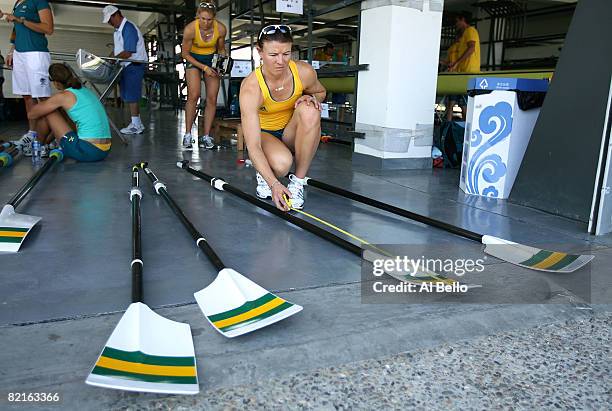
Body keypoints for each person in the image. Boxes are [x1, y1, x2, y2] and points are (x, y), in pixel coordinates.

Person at [240, 25, 326, 211]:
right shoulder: (251, 88)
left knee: (310, 109)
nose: (281, 61)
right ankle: (264, 174)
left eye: (286, 54)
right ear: (259, 52)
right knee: (281, 166)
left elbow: (320, 92)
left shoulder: (304, 72)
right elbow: (252, 146)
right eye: (273, 55)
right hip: (265, 135)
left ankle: (298, 182)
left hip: (290, 132)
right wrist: (274, 184)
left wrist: (312, 98)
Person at [26, 63, 111, 162]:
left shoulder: (64, 96)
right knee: (59, 110)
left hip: (87, 151)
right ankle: (45, 144)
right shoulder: (85, 90)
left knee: (49, 112)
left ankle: (36, 147)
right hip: (104, 151)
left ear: (56, 82)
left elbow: (31, 114)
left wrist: (41, 98)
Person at [1, 0, 54, 151]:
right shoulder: (18, 2)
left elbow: (49, 29)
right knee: (27, 96)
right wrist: (12, 50)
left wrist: (21, 20)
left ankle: (53, 134)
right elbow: (16, 29)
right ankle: (32, 134)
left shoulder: (39, 2)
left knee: (43, 97)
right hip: (20, 53)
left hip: (35, 53)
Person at [180, 2, 227, 150]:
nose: (205, 23)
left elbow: (221, 49)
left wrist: (221, 64)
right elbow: (184, 54)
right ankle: (187, 135)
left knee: (212, 98)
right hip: (193, 59)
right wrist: (204, 67)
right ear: (197, 16)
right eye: (202, 19)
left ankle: (206, 136)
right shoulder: (190, 30)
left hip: (211, 59)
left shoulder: (220, 29)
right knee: (194, 95)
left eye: (209, 20)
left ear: (214, 18)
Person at [102, 5, 147, 135]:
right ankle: (136, 123)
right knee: (128, 94)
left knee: (132, 96)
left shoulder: (128, 28)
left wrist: (113, 58)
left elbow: (128, 52)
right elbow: (120, 49)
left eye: (110, 20)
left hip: (134, 64)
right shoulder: (119, 30)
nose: (110, 23)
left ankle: (136, 126)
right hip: (127, 65)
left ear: (117, 15)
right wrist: (111, 56)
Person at [446, 11, 480, 120]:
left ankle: (467, 128)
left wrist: (456, 63)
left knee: (465, 104)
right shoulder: (465, 35)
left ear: (463, 20)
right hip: (462, 73)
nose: (456, 24)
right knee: (463, 103)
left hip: (469, 73)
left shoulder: (470, 30)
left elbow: (471, 48)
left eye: (457, 21)